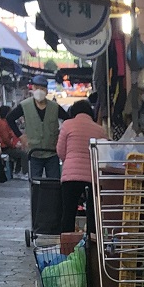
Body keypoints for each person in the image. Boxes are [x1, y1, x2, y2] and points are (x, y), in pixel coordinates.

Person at [56, 98, 106, 234]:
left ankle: (67, 248)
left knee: (68, 213)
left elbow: (60, 151)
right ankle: (92, 248)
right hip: (92, 177)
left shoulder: (67, 125)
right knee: (92, 214)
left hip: (70, 176)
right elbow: (103, 155)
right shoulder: (100, 130)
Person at [7, 77, 68, 180]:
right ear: (33, 89)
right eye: (37, 88)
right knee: (35, 184)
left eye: (42, 88)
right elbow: (10, 118)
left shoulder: (55, 107)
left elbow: (68, 119)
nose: (39, 91)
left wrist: (62, 136)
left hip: (52, 152)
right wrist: (20, 136)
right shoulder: (25, 105)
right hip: (33, 152)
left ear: (47, 90)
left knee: (54, 183)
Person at [0, 105, 24, 177]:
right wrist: (14, 145)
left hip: (4, 146)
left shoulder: (1, 122)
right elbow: (6, 139)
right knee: (23, 154)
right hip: (4, 148)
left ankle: (16, 171)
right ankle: (20, 172)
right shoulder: (3, 124)